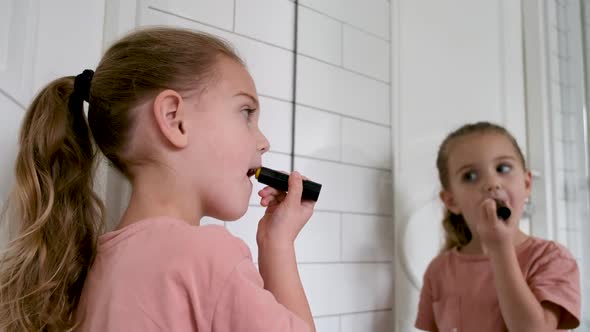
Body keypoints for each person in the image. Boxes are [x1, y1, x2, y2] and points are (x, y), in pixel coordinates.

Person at [0, 27, 316, 332]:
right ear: (173, 119)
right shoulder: (208, 258)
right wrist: (277, 243)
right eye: (246, 112)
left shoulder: (98, 266)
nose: (264, 142)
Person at [415, 121, 580, 331]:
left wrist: (500, 249)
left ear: (526, 183)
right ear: (451, 201)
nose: (492, 183)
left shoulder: (551, 259)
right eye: (470, 176)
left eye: (502, 168)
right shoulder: (438, 271)